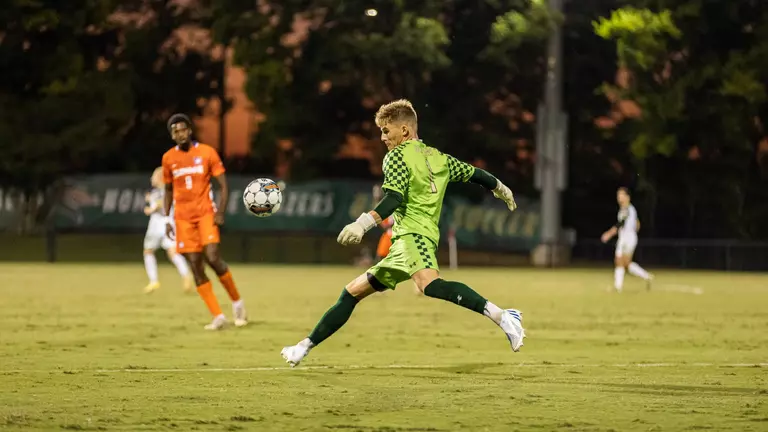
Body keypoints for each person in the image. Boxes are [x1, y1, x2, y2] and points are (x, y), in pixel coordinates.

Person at [281, 99, 525, 367]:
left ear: (405, 131)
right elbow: (474, 174)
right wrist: (500, 187)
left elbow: (393, 198)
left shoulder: (397, 156)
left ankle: (503, 316)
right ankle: (303, 347)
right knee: (352, 293)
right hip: (406, 242)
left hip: (413, 237)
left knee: (430, 285)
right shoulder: (438, 157)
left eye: (386, 131)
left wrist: (362, 223)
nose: (383, 137)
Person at [161, 113, 248, 330]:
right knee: (195, 266)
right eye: (175, 131)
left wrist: (221, 211)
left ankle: (237, 302)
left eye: (183, 129)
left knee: (213, 257)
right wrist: (167, 218)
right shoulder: (168, 159)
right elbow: (168, 190)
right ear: (172, 136)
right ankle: (218, 316)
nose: (180, 134)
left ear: (190, 130)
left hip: (205, 214)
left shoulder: (207, 152)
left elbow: (224, 186)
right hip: (182, 218)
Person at [142, 167, 194, 294]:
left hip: (157, 225)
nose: (151, 178)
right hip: (170, 223)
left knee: (148, 251)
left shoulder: (161, 190)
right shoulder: (170, 189)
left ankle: (153, 281)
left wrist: (150, 209)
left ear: (160, 178)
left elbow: (160, 203)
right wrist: (150, 200)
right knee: (173, 252)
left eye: (154, 176)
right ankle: (186, 275)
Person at [601, 187, 653, 292]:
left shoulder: (627, 209)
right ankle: (646, 276)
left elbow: (620, 223)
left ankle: (618, 287)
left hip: (628, 238)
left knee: (621, 262)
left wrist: (609, 234)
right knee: (625, 263)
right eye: (618, 195)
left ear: (628, 197)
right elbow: (637, 223)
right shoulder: (629, 209)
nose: (619, 197)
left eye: (621, 195)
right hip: (625, 237)